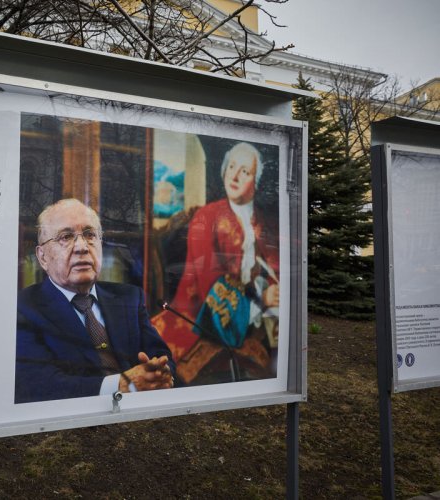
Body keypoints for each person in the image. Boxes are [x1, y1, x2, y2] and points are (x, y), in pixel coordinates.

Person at [15, 198, 175, 404]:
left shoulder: (129, 298)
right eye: (66, 237)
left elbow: (162, 357)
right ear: (43, 257)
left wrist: (159, 373)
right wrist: (123, 385)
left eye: (90, 235)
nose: (81, 247)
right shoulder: (23, 308)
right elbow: (39, 384)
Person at [152, 142, 280, 385]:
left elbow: (276, 269)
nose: (234, 175)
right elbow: (210, 292)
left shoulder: (263, 222)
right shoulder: (207, 217)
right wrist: (262, 300)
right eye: (231, 166)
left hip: (255, 323)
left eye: (245, 171)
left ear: (256, 181)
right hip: (200, 321)